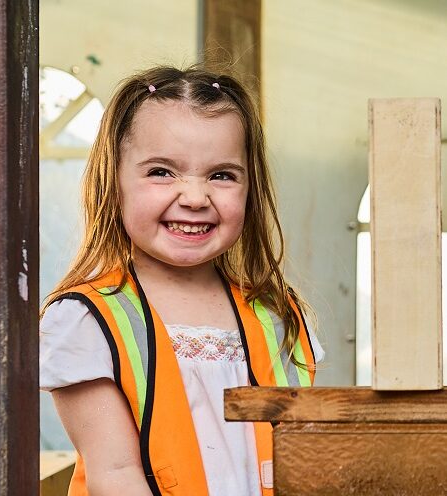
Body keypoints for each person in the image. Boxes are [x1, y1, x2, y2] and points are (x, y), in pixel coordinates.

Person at [39, 65, 324, 496]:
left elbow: (309, 463)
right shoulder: (87, 321)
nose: (194, 197)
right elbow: (116, 476)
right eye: (161, 172)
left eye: (221, 175)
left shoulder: (279, 316)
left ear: (250, 189)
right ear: (114, 182)